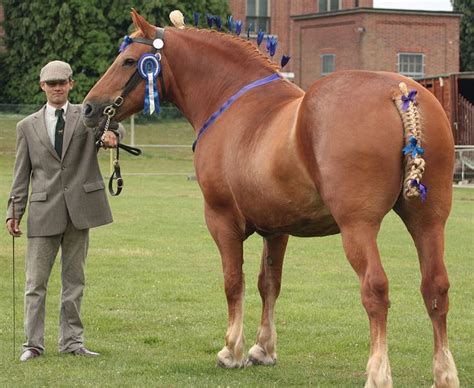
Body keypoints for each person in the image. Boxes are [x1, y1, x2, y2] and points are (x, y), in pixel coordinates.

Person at [5, 60, 122, 361]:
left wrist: (112, 136)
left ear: (71, 84)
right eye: (51, 83)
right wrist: (13, 210)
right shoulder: (26, 127)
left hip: (80, 211)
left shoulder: (86, 115)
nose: (57, 88)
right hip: (44, 211)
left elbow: (113, 123)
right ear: (42, 86)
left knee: (74, 281)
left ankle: (72, 342)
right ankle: (33, 344)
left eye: (62, 82)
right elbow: (21, 174)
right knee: (35, 283)